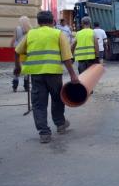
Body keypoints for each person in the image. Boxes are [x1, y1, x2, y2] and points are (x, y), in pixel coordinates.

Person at [14, 11, 79, 143]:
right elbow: (66, 57)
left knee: (38, 104)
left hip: (36, 75)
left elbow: (17, 51)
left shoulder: (31, 34)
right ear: (52, 21)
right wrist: (73, 75)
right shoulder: (58, 34)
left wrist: (18, 67)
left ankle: (44, 133)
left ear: (38, 22)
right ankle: (60, 125)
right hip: (54, 74)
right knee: (57, 99)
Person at [10, 16, 32, 92]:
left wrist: (11, 46)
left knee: (17, 67)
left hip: (18, 51)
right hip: (26, 51)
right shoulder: (30, 29)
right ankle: (26, 87)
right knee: (26, 68)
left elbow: (13, 39)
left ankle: (15, 86)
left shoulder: (17, 28)